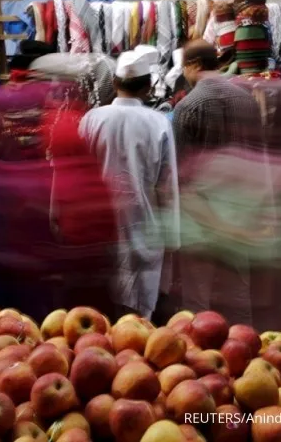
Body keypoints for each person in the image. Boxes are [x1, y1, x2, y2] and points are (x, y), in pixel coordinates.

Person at [78, 50, 179, 321]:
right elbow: (166, 186)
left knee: (96, 318)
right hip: (144, 227)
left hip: (98, 227)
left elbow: (78, 175)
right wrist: (173, 237)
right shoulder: (158, 122)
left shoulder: (91, 119)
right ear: (148, 86)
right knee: (137, 324)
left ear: (114, 83)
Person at [172, 40, 264, 324]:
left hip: (200, 218)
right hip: (239, 211)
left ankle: (198, 360)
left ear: (194, 65)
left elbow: (180, 172)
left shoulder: (188, 106)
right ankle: (247, 352)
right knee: (238, 294)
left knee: (198, 301)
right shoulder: (246, 100)